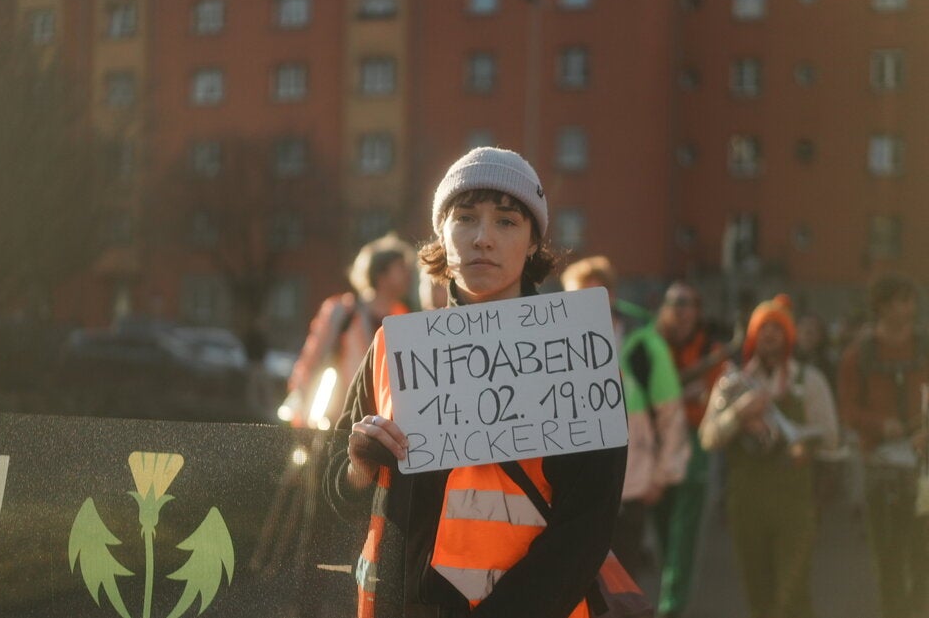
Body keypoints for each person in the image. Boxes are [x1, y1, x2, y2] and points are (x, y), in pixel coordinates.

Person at [324, 147, 627, 618]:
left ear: (532, 243)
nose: (483, 238)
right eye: (465, 218)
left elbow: (586, 528)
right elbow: (332, 499)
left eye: (506, 222)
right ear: (441, 235)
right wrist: (358, 467)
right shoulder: (393, 348)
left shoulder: (575, 351)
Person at [699, 294, 839, 618]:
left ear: (789, 335)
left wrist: (806, 445)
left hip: (795, 501)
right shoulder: (733, 383)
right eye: (763, 328)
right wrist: (738, 414)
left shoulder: (810, 380)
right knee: (758, 597)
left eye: (778, 327)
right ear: (752, 336)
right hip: (746, 503)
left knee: (793, 596)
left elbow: (831, 437)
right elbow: (708, 438)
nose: (770, 334)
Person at [561, 256, 688, 578]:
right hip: (575, 494)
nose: (588, 306)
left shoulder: (642, 346)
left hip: (630, 490)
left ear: (612, 296)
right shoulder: (556, 350)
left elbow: (671, 415)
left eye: (596, 295)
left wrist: (661, 477)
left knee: (623, 587)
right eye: (579, 298)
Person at [837, 274, 929, 618]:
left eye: (912, 299)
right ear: (882, 306)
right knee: (888, 558)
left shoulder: (925, 346)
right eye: (902, 300)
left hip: (923, 468)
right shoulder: (858, 355)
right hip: (880, 466)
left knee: (923, 556)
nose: (910, 307)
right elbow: (847, 410)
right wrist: (879, 425)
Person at [653, 282, 728, 618]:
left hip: (693, 443)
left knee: (685, 531)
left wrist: (676, 401)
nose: (681, 310)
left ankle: (673, 606)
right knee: (661, 529)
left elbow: (715, 402)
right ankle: (669, 591)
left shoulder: (710, 349)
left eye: (688, 304)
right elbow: (643, 396)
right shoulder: (652, 346)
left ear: (697, 312)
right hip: (655, 444)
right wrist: (682, 397)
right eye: (675, 303)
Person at [285, 232, 414, 427]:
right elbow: (312, 359)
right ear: (381, 274)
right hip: (335, 421)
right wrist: (301, 408)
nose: (409, 274)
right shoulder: (342, 312)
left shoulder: (404, 320)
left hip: (383, 426)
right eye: (401, 268)